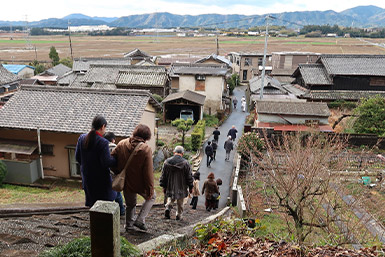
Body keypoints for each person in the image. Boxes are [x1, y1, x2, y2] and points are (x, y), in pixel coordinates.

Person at [111, 124, 155, 231]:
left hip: (126, 181)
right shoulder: (146, 149)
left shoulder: (122, 143)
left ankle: (129, 225)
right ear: (146, 137)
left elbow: (111, 159)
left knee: (130, 204)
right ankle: (140, 219)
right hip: (140, 183)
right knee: (152, 197)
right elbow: (148, 172)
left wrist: (118, 172)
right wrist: (150, 188)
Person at [75, 115, 117, 208]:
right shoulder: (103, 142)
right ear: (102, 126)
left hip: (87, 178)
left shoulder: (82, 138)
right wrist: (115, 160)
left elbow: (77, 157)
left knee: (93, 205)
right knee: (104, 206)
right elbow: (106, 162)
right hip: (101, 180)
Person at [160, 146, 193, 221]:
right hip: (181, 186)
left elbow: (163, 175)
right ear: (182, 153)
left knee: (170, 198)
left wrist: (163, 185)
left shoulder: (166, 162)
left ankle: (168, 207)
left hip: (170, 185)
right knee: (180, 202)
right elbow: (189, 176)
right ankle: (178, 215)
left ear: (174, 152)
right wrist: (191, 186)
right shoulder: (185, 163)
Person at [104, 132, 125, 216]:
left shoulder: (101, 148)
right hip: (114, 175)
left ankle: (107, 211)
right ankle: (122, 211)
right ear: (113, 140)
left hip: (104, 175)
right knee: (117, 195)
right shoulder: (116, 148)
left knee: (107, 194)